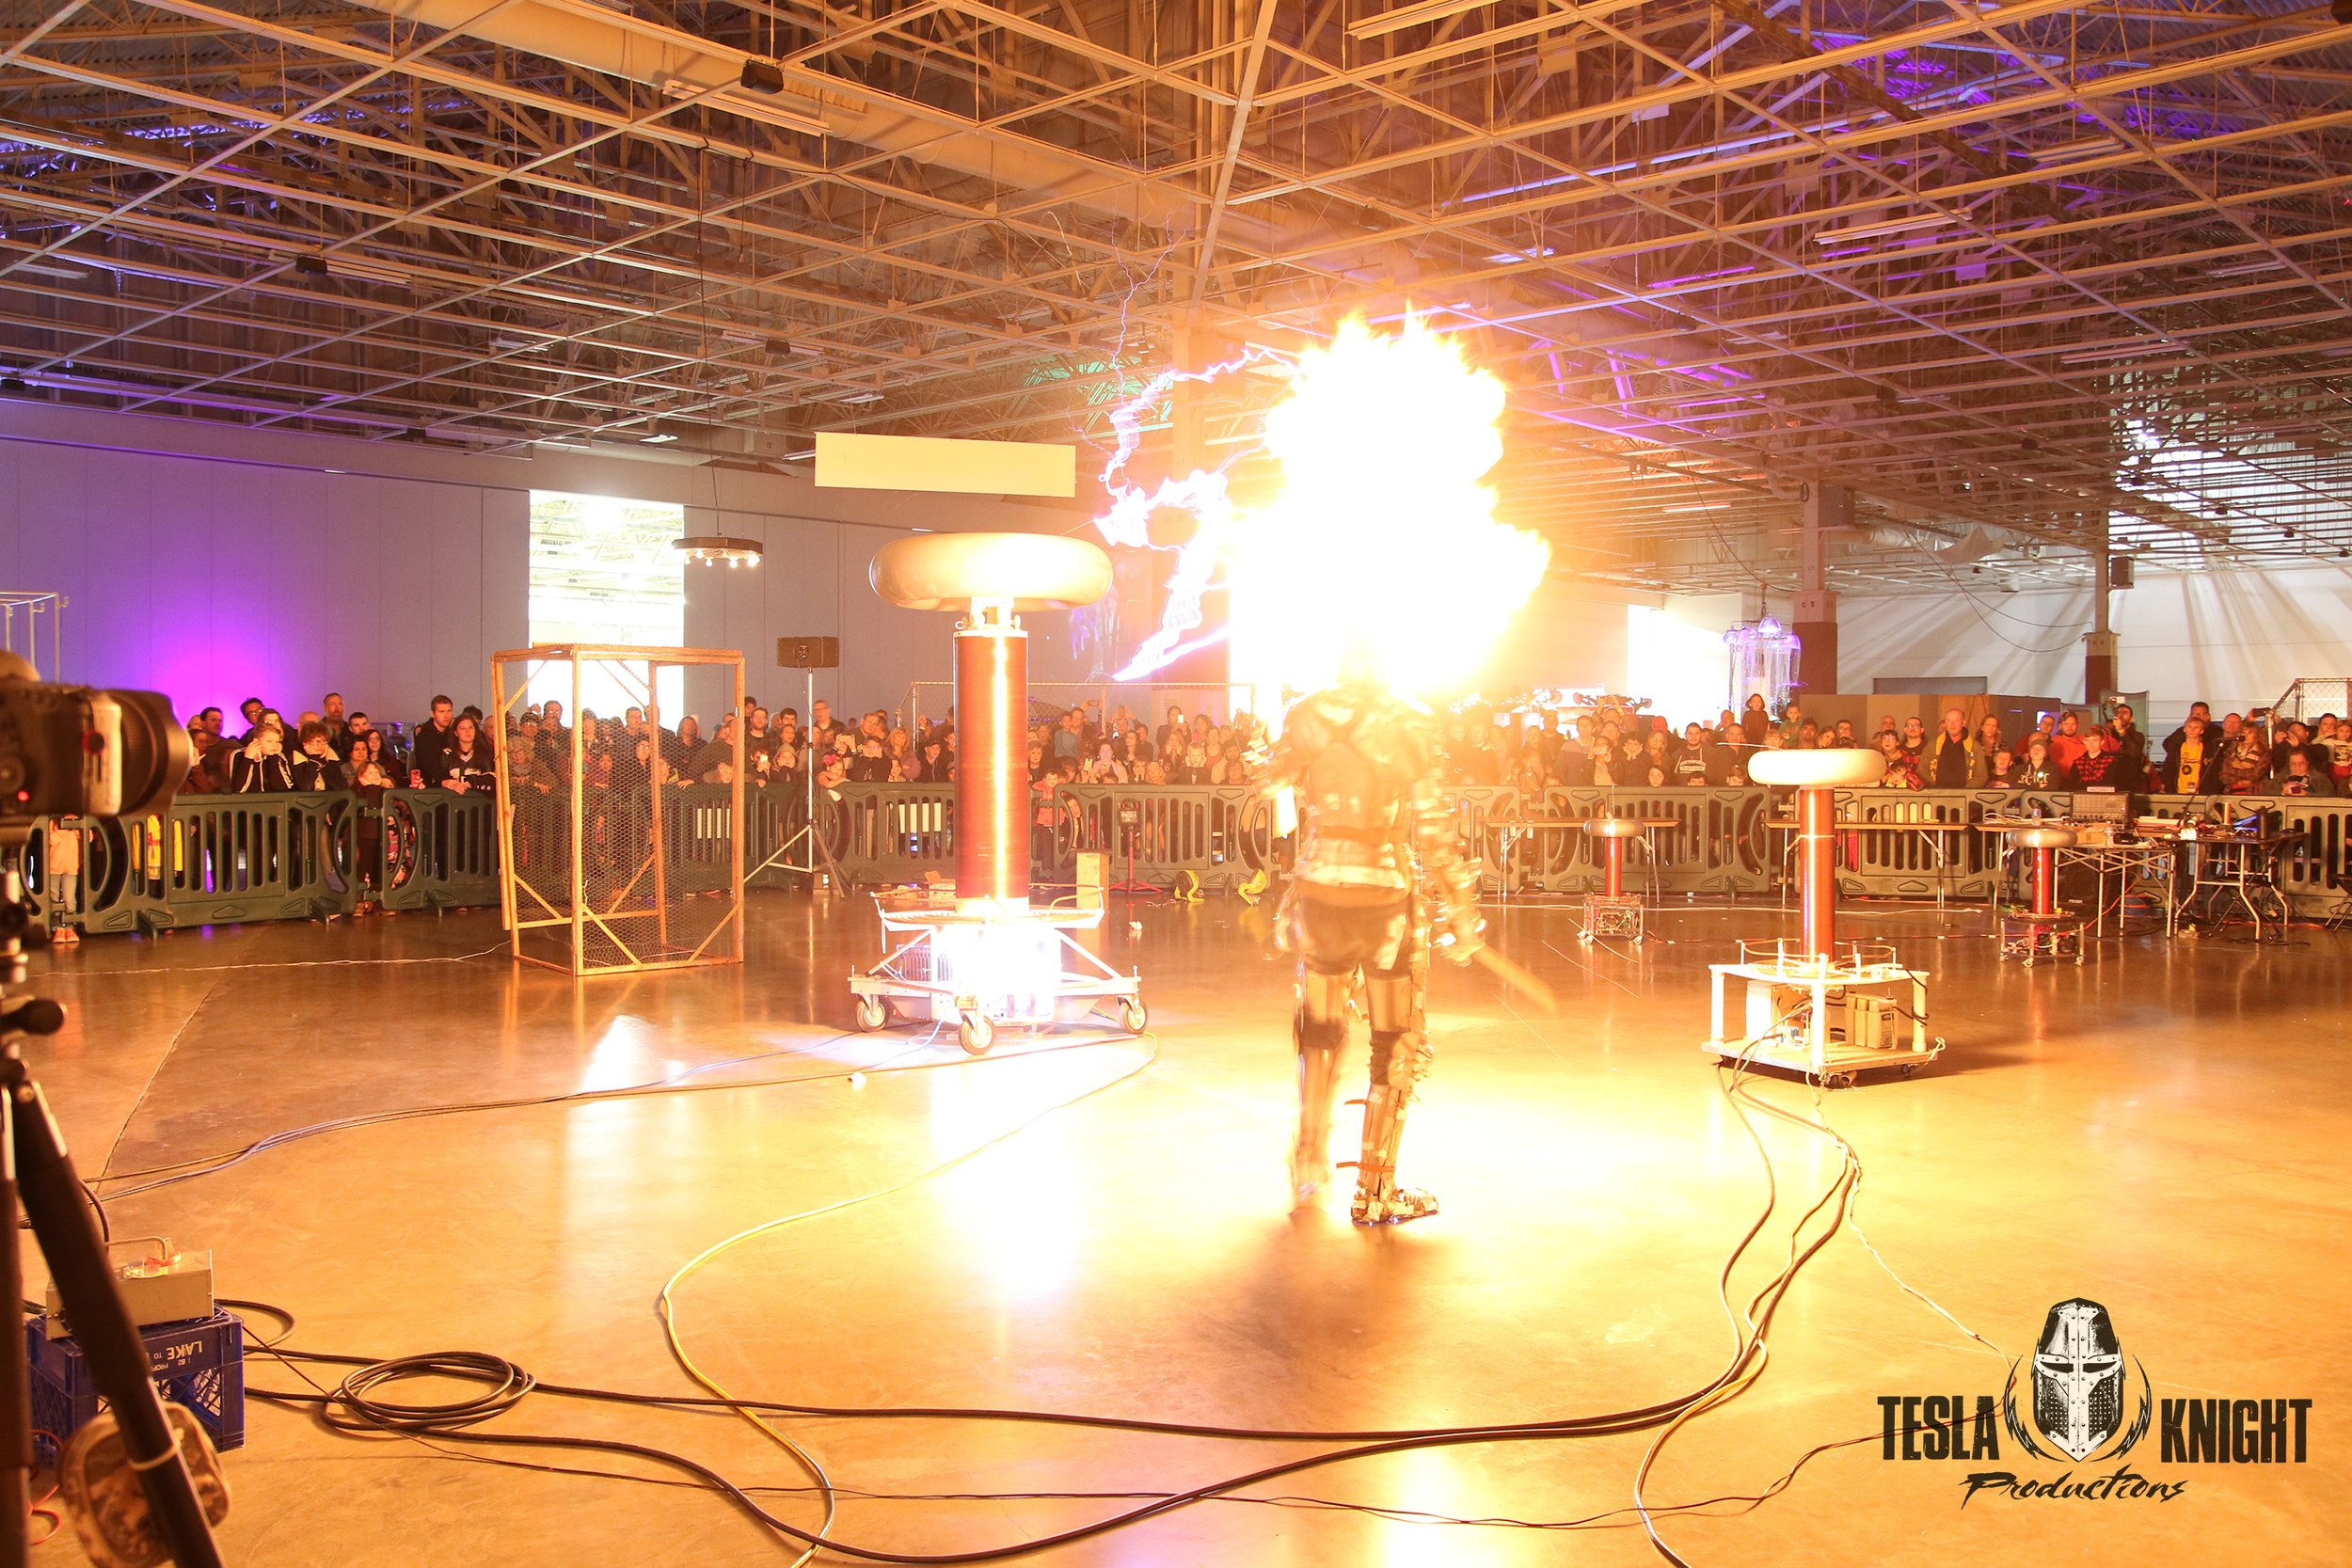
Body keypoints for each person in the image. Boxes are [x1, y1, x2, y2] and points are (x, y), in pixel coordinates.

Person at [1264, 668, 1482, 1226]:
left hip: (1319, 890)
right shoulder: (1408, 718)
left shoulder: (1308, 712)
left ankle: (1307, 1157)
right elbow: (1433, 829)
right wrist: (1461, 906)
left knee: (1319, 1030)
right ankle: (1374, 1190)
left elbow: (1268, 776)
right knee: (1397, 1040)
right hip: (1384, 898)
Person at [1920, 708, 1982, 789]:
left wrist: (1966, 791)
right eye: (1949, 721)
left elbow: (1981, 775)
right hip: (1937, 795)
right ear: (1946, 723)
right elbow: (1922, 771)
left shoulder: (1974, 747)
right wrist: (1935, 788)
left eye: (1956, 721)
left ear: (1963, 723)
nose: (1952, 725)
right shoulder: (1933, 745)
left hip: (1965, 796)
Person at [230, 716, 294, 792]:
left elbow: (283, 788)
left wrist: (273, 758)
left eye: (277, 742)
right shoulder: (238, 754)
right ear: (256, 741)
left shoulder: (278, 756)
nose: (274, 745)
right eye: (269, 741)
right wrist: (248, 759)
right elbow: (239, 789)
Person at [2162, 716, 2219, 796]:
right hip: (2178, 794)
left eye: (2196, 727)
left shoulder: (2209, 751)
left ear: (2202, 731)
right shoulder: (2175, 750)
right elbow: (2168, 771)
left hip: (2201, 795)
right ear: (2184, 729)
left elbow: (2214, 774)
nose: (2192, 730)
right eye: (2189, 726)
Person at [409, 695, 458, 789]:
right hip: (430, 787)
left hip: (451, 782)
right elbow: (429, 764)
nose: (446, 716)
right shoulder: (424, 736)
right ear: (432, 713)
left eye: (449, 711)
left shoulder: (452, 733)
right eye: (442, 712)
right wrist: (445, 780)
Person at [292, 721, 351, 791]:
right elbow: (306, 787)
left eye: (323, 741)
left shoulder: (331, 759)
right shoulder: (297, 759)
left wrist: (323, 761)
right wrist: (314, 760)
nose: (320, 745)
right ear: (305, 743)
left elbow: (341, 787)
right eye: (315, 741)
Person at [2269, 749, 2337, 797]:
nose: (2297, 767)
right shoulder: (2279, 778)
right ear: (2289, 763)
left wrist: (2307, 795)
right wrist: (2282, 792)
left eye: (2301, 763)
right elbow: (2265, 794)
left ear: (2307, 762)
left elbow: (2330, 795)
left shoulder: (2320, 778)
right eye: (2293, 764)